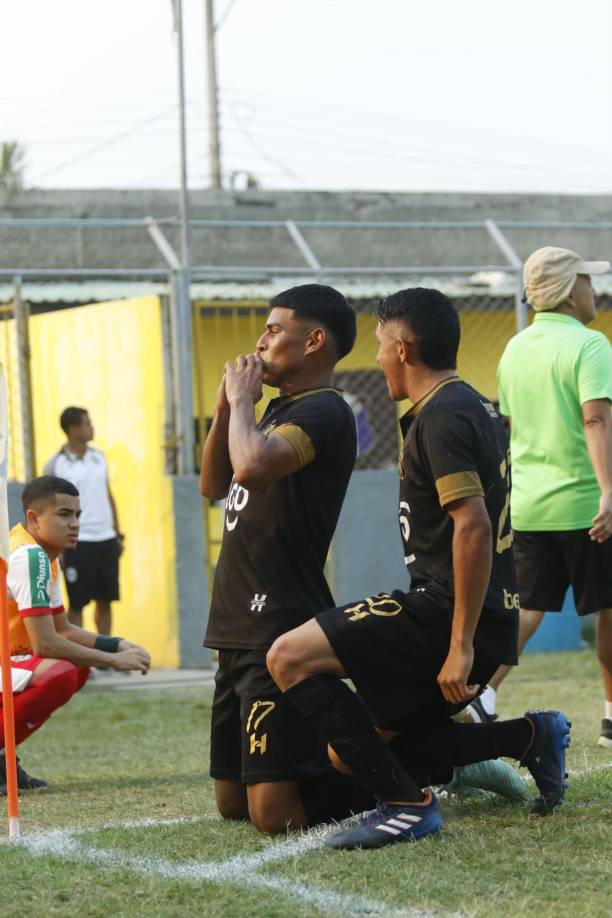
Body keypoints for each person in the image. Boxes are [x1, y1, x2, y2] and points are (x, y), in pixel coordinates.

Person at [267, 287, 571, 850]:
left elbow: (473, 526)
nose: (378, 356)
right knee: (350, 750)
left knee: (288, 655)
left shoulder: (443, 417)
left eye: (381, 344)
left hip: (447, 614)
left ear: (403, 348)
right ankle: (528, 735)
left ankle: (409, 806)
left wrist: (460, 644)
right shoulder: (473, 404)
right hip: (483, 616)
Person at [201, 283, 379, 835]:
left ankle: (418, 772)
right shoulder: (275, 409)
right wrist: (228, 409)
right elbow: (214, 483)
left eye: (274, 330)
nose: (261, 340)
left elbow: (251, 465)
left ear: (314, 341)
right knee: (233, 805)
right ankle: (369, 759)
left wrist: (243, 414)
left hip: (275, 624)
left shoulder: (326, 410)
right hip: (234, 622)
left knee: (272, 818)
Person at [461, 247, 612, 748]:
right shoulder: (590, 346)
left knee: (527, 607)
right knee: (609, 607)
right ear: (571, 292)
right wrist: (609, 491)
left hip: (528, 505)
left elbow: (509, 427)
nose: (596, 290)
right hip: (589, 504)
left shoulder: (514, 349)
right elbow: (595, 419)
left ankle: (482, 696)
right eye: (589, 281)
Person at [0, 476, 150, 794]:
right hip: (7, 662)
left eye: (77, 515)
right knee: (61, 673)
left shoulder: (41, 552)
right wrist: (113, 661)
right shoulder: (29, 556)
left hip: (9, 661)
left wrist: (117, 643)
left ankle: (4, 758)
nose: (75, 524)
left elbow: (62, 628)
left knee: (76, 668)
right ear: (33, 518)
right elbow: (45, 643)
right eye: (64, 514)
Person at [44, 407, 123, 636]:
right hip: (77, 541)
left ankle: (105, 655)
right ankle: (80, 661)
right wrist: (56, 546)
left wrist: (117, 534)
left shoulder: (99, 457)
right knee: (77, 603)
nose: (92, 428)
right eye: (87, 424)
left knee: (106, 600)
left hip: (106, 539)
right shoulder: (56, 464)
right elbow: (50, 507)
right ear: (73, 429)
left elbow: (107, 494)